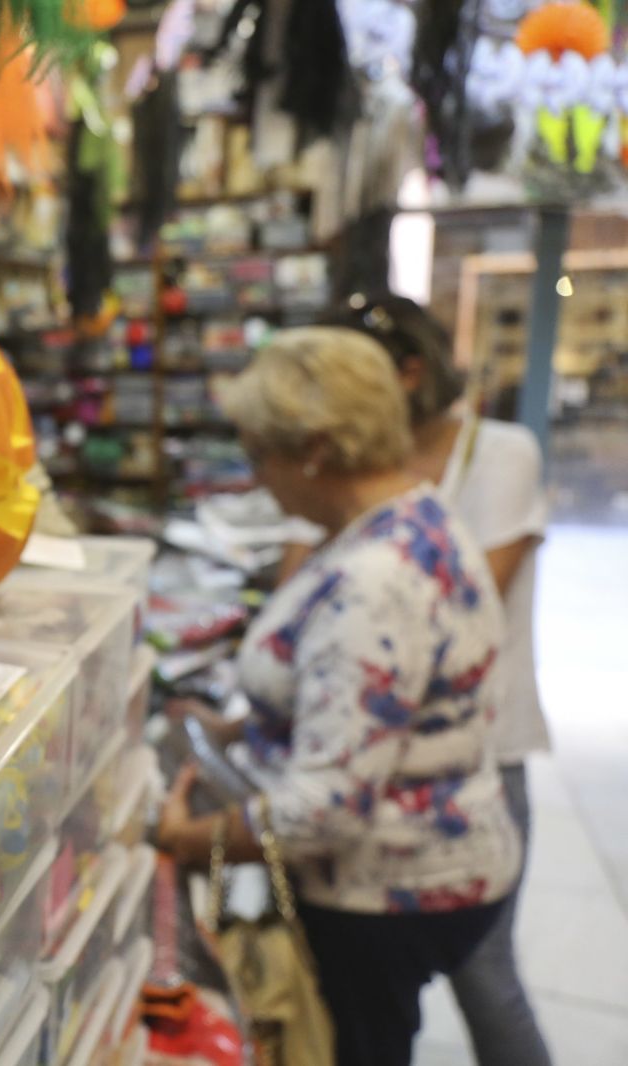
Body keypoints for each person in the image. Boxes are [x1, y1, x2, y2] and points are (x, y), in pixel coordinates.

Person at [155, 327, 523, 1066]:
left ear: (315, 450)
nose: (260, 480)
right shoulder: (415, 515)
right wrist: (237, 731)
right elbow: (375, 710)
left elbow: (326, 806)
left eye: (261, 454)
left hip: (383, 892)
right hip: (434, 859)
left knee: (354, 1049)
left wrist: (189, 841)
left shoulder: (374, 583)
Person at [284, 294, 553, 1066]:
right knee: (361, 996)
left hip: (472, 761)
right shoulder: (339, 462)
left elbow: (444, 616)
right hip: (358, 768)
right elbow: (296, 600)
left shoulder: (501, 453)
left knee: (485, 978)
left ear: (406, 373)